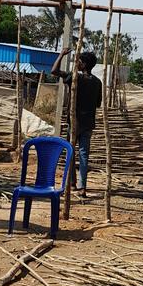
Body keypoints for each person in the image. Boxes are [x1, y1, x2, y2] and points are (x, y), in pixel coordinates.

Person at [50, 48, 102, 198]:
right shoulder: (97, 82)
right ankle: (82, 186)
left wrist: (61, 55)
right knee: (84, 155)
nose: (77, 64)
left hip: (74, 122)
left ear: (84, 64)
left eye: (79, 61)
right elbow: (98, 103)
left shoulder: (75, 78)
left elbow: (54, 71)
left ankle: (72, 183)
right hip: (88, 123)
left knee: (71, 152)